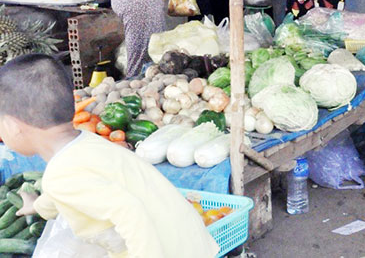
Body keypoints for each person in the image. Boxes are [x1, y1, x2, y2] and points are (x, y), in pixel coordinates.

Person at [0, 54, 219, 257]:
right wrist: (37, 206)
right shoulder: (86, 144)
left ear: (12, 127)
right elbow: (64, 190)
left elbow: (131, 214)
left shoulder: (61, 175)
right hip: (190, 243)